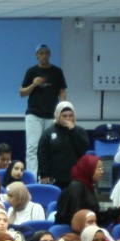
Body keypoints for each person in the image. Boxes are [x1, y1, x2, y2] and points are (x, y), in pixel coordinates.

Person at [21, 44, 68, 172]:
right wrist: (33, 84)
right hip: (34, 115)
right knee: (32, 147)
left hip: (52, 115)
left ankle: (49, 175)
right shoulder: (31, 71)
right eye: (41, 53)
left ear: (50, 55)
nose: (44, 55)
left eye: (46, 53)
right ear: (36, 55)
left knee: (51, 147)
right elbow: (22, 93)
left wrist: (63, 111)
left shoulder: (57, 72)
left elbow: (62, 92)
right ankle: (33, 177)